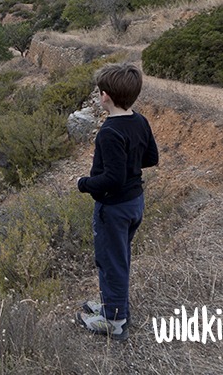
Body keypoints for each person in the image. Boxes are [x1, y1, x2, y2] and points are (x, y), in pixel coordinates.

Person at [75, 62, 158, 341]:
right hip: (135, 203)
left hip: (114, 208)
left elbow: (113, 179)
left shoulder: (109, 132)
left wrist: (83, 184)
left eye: (100, 92)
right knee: (118, 259)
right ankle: (113, 306)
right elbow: (151, 158)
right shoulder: (140, 121)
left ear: (105, 95)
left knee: (111, 262)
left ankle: (114, 321)